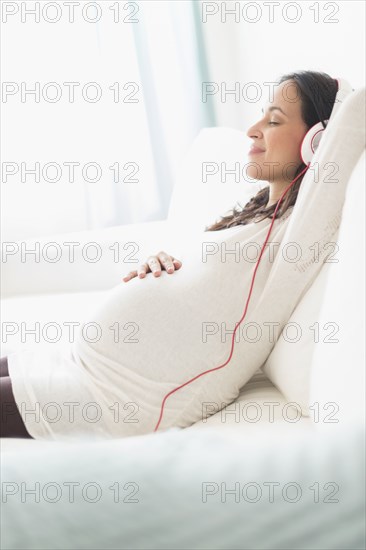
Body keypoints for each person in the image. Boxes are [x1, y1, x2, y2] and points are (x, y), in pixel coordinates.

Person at [0, 70, 338, 439]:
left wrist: (338, 115)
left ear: (317, 142)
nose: (253, 129)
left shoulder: (297, 228)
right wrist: (162, 263)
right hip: (78, 363)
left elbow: (354, 124)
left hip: (110, 399)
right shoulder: (253, 216)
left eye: (273, 120)